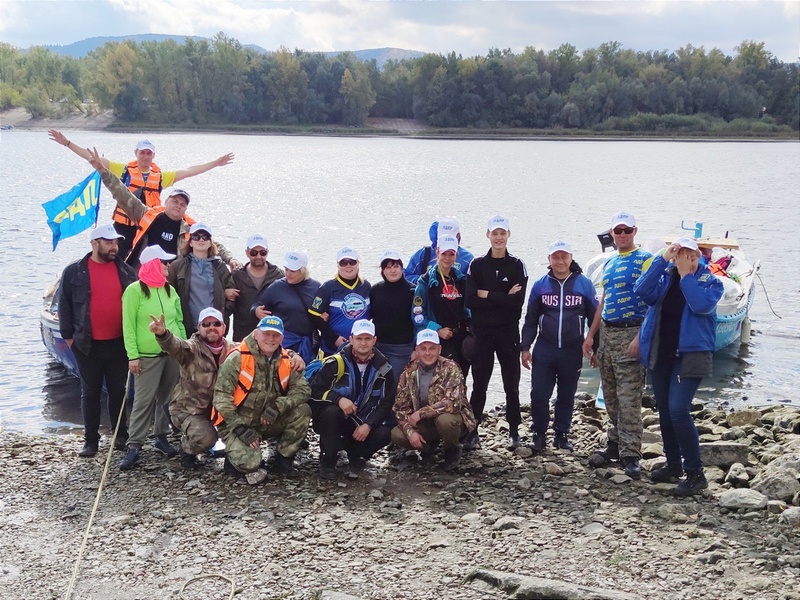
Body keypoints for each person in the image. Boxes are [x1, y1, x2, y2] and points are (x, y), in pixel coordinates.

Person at [49, 131, 233, 257]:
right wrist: (67, 143)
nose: (145, 156)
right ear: (136, 153)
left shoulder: (161, 176)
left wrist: (216, 163)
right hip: (125, 223)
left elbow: (190, 170)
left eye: (149, 153)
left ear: (153, 156)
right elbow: (91, 158)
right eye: (142, 152)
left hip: (148, 224)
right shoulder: (122, 169)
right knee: (117, 254)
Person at [634, 238, 723, 496]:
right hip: (662, 354)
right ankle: (673, 464)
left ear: (698, 257)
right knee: (664, 410)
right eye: (681, 254)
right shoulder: (665, 278)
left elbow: (701, 305)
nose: (686, 258)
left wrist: (686, 277)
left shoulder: (711, 282)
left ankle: (696, 473)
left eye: (691, 254)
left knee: (678, 410)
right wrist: (662, 260)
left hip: (690, 356)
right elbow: (641, 290)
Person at [86, 147, 239, 270]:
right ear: (165, 201)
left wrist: (230, 259)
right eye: (175, 201)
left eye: (182, 204)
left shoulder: (189, 228)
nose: (178, 206)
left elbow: (214, 244)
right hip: (143, 272)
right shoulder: (147, 214)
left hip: (171, 275)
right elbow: (122, 194)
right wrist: (102, 171)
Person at [582, 211, 653, 479]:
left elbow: (652, 301)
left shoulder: (646, 260)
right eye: (618, 231)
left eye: (627, 230)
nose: (622, 235)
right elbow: (603, 300)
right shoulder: (610, 263)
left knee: (629, 397)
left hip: (632, 331)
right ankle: (615, 443)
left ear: (635, 231)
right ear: (611, 233)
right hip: (608, 336)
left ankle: (631, 453)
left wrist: (640, 337)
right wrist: (591, 336)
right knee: (610, 397)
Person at [58, 224, 137, 457]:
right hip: (87, 344)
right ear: (94, 243)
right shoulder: (75, 271)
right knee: (90, 392)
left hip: (118, 342)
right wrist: (70, 339)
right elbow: (65, 306)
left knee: (118, 391)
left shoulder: (125, 270)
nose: (114, 247)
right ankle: (90, 440)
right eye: (109, 242)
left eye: (116, 242)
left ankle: (120, 434)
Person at [212, 315, 312, 485]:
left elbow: (304, 390)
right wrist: (240, 428)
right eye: (266, 334)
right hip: (237, 422)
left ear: (282, 338)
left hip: (268, 418)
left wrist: (279, 406)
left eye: (275, 335)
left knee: (303, 411)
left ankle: (282, 459)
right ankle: (234, 457)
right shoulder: (237, 358)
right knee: (251, 464)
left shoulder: (287, 359)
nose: (271, 339)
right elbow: (221, 397)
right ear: (256, 334)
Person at [521, 240, 598, 453]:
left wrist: (596, 349)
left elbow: (594, 319)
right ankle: (539, 434)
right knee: (539, 394)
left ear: (571, 258)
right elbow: (530, 319)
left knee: (566, 394)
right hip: (546, 348)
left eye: (564, 256)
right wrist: (525, 347)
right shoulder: (540, 285)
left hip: (572, 349)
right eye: (556, 257)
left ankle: (561, 435)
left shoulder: (584, 283)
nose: (560, 261)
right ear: (549, 260)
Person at [119, 245, 186, 470]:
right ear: (152, 265)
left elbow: (178, 322)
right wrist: (133, 356)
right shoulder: (134, 291)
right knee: (143, 401)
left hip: (171, 353)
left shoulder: (170, 290)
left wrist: (184, 348)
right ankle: (134, 445)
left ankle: (161, 436)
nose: (168, 265)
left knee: (166, 399)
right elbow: (127, 326)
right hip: (146, 356)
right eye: (164, 262)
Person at [464, 215, 528, 450]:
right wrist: (503, 296)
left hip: (508, 332)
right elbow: (471, 300)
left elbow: (517, 303)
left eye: (503, 233)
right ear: (488, 235)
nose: (498, 237)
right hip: (483, 332)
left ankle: (513, 430)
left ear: (509, 235)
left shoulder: (517, 264)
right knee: (480, 382)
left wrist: (487, 294)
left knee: (511, 383)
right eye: (495, 233)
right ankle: (472, 430)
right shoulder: (477, 265)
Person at [309, 320, 394, 480]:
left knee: (384, 433)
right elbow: (314, 391)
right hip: (335, 420)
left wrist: (368, 425)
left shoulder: (385, 368)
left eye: (367, 339)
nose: (363, 343)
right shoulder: (335, 362)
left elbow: (386, 403)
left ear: (374, 340)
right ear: (351, 339)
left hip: (361, 422)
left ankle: (356, 455)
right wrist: (339, 399)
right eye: (359, 338)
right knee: (331, 412)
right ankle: (328, 461)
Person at [151, 307, 235, 470]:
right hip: (188, 409)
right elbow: (174, 345)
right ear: (199, 328)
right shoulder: (190, 349)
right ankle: (187, 450)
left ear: (224, 327)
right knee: (206, 438)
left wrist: (293, 356)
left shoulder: (234, 349)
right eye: (206, 324)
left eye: (216, 323)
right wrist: (162, 334)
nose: (212, 327)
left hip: (220, 409)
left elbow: (260, 348)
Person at [391, 329, 477, 471]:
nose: (428, 353)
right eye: (423, 349)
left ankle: (452, 449)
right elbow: (400, 409)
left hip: (453, 418)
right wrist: (410, 433)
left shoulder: (451, 368)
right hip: (426, 423)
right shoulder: (408, 373)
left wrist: (421, 413)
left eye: (432, 348)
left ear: (439, 349)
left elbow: (453, 402)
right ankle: (428, 446)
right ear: (416, 351)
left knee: (445, 421)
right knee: (397, 434)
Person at [412, 234, 471, 377]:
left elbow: (469, 308)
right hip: (440, 339)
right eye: (444, 253)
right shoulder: (426, 281)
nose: (447, 258)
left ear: (456, 255)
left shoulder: (461, 279)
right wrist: (437, 330)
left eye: (451, 254)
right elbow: (418, 316)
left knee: (461, 379)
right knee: (450, 378)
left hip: (460, 337)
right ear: (437, 252)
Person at [167, 222, 237, 337]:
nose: (201, 240)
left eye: (205, 237)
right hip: (187, 327)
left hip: (214, 329)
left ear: (210, 243)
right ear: (190, 242)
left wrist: (224, 315)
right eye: (196, 236)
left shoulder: (219, 267)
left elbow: (232, 293)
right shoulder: (177, 266)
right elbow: (168, 293)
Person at [253, 251, 321, 364]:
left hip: (307, 343)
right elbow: (256, 305)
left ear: (303, 271)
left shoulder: (316, 287)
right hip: (284, 340)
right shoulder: (277, 287)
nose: (288, 274)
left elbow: (324, 312)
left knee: (304, 375)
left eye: (293, 271)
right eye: (286, 269)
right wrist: (256, 311)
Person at [309, 247, 371, 357]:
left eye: (352, 262)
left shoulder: (366, 286)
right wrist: (334, 338)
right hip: (333, 348)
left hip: (361, 346)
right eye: (343, 262)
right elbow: (314, 315)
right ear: (338, 265)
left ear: (358, 263)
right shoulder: (328, 287)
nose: (348, 266)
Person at [369, 250, 416, 385]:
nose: (392, 270)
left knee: (395, 386)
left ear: (402, 268)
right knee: (377, 386)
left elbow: (419, 322)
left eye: (396, 266)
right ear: (383, 271)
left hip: (402, 349)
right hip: (378, 347)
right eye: (388, 267)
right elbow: (367, 316)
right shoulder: (375, 290)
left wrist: (416, 349)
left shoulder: (413, 291)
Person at [231, 234, 284, 342]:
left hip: (270, 335)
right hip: (243, 334)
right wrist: (226, 291)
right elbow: (226, 305)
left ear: (267, 252)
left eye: (262, 252)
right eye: (254, 252)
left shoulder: (278, 276)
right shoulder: (237, 276)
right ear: (247, 253)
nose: (259, 256)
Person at [404, 219, 475, 285]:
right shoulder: (423, 254)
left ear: (458, 236)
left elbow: (472, 284)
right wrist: (423, 281)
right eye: (442, 236)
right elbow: (406, 276)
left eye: (450, 236)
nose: (446, 239)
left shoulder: (468, 259)